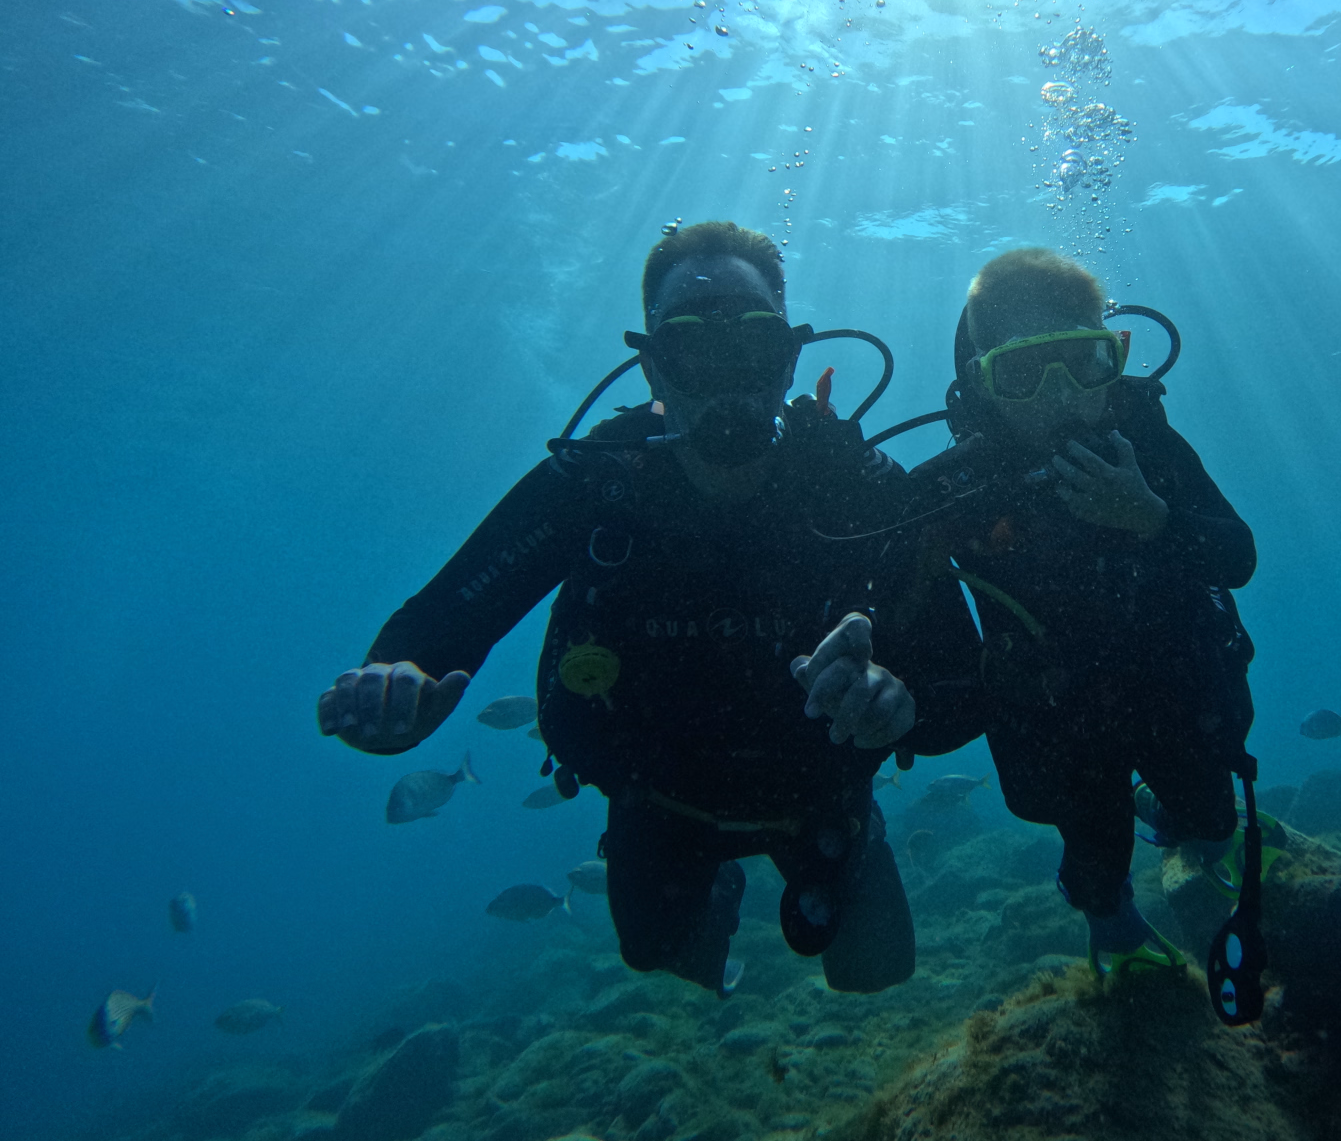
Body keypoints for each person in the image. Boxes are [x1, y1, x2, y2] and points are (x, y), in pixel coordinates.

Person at [318, 221, 982, 997]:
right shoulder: (596, 483)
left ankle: (847, 849)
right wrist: (398, 686)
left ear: (789, 359)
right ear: (651, 366)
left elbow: (962, 691)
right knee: (660, 956)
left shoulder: (857, 485)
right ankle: (714, 893)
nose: (728, 380)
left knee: (877, 972)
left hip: (820, 797)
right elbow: (441, 622)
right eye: (695, 349)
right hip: (660, 802)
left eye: (753, 347)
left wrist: (902, 709)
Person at [906, 248, 1256, 975]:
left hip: (1175, 692)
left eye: (1086, 361)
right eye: (1028, 371)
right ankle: (1113, 918)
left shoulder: (1148, 446)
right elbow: (911, 628)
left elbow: (1237, 557)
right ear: (983, 384)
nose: (1063, 393)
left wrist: (1153, 517)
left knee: (1212, 820)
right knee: (1095, 865)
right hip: (1058, 722)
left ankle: (1167, 819)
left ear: (1115, 361)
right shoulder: (954, 493)